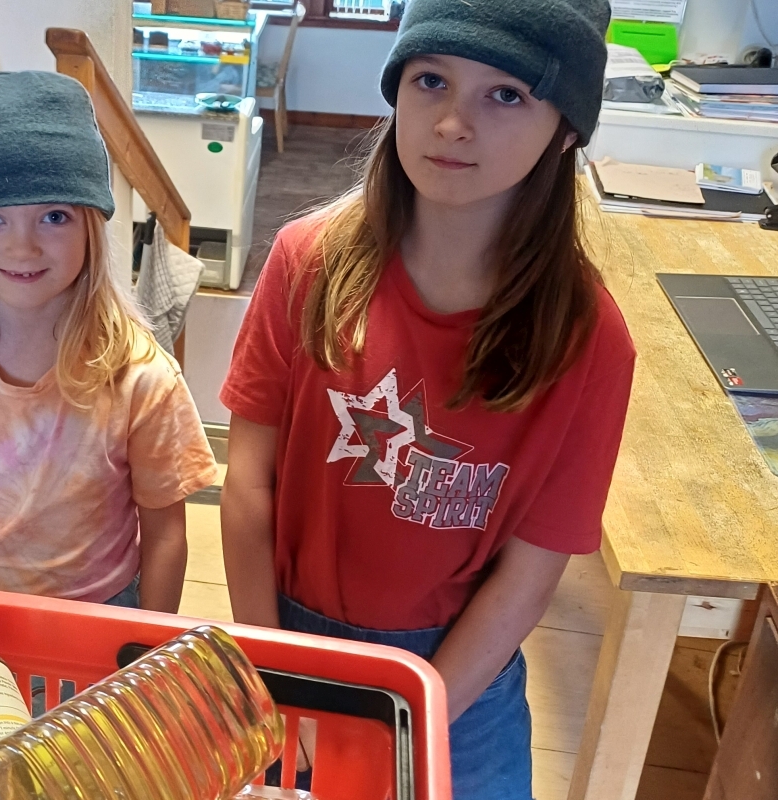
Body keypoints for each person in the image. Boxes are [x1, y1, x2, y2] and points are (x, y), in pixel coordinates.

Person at [219, 0, 630, 796]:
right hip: (282, 636)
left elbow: (531, 570)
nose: (450, 124)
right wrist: (271, 674)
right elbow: (245, 485)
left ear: (568, 127)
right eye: (430, 80)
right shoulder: (307, 261)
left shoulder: (589, 339)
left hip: (459, 672)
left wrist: (416, 714)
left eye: (505, 94)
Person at [0, 70, 217, 613]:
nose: (22, 249)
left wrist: (143, 649)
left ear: (91, 228)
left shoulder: (141, 379)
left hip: (101, 620)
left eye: (54, 216)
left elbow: (165, 536)